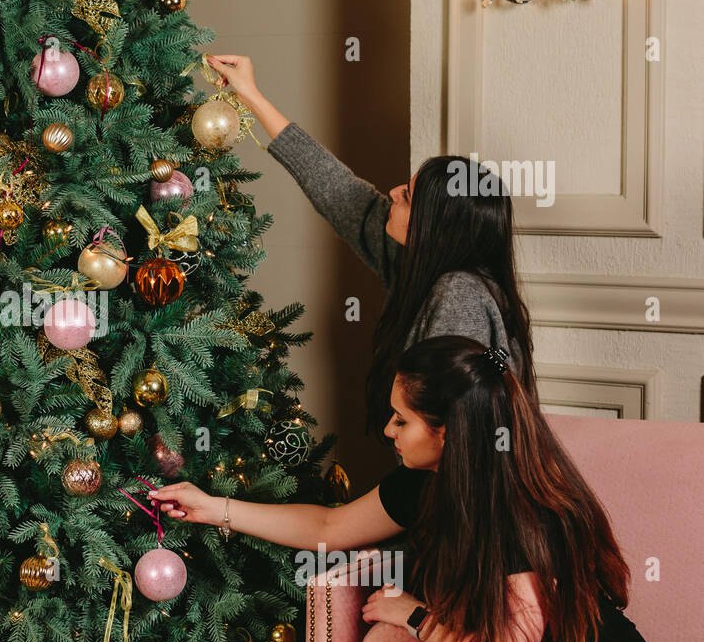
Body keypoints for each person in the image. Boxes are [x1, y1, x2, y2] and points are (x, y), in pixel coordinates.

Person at [149, 336, 663, 642]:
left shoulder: (516, 514)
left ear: (448, 432)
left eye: (403, 420)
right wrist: (215, 508)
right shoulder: (422, 485)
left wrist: (411, 614)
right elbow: (329, 528)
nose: (389, 430)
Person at [204, 53, 537, 438]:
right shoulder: (416, 262)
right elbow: (336, 188)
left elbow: (453, 427)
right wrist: (251, 96)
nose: (393, 192)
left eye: (408, 196)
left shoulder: (458, 295)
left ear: (435, 227)